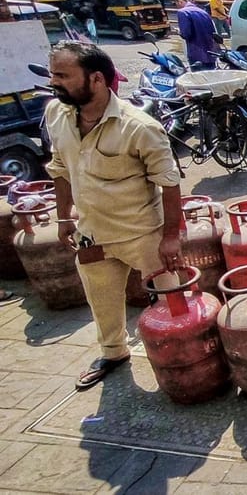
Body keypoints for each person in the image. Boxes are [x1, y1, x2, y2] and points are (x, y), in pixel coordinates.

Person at [44, 41, 182, 390]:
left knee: (174, 303)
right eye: (53, 74)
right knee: (101, 301)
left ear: (97, 79)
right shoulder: (56, 114)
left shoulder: (140, 127)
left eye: (63, 75)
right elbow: (60, 169)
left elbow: (169, 183)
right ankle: (113, 351)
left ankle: (184, 354)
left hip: (143, 235)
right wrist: (64, 219)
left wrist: (170, 237)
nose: (54, 82)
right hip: (92, 233)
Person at [174, 0, 219, 70]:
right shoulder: (203, 12)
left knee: (198, 79)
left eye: (176, 4)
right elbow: (213, 31)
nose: (177, 7)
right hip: (210, 53)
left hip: (196, 53)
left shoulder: (183, 12)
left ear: (180, 1)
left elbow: (186, 34)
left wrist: (179, 32)